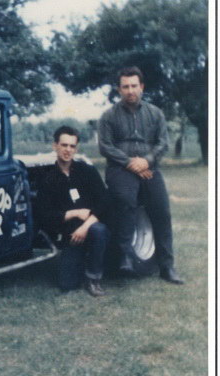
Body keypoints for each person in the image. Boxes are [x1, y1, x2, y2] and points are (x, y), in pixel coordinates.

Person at [98, 66, 184, 284]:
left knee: (162, 210)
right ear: (119, 90)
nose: (130, 91)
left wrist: (146, 161)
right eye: (125, 87)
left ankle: (167, 267)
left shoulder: (155, 113)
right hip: (120, 169)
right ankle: (125, 257)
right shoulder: (108, 116)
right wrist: (129, 162)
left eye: (134, 86)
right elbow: (105, 146)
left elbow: (162, 143)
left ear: (142, 87)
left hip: (149, 168)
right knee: (126, 201)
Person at [37, 126, 110, 297]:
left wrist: (85, 226)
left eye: (72, 146)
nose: (68, 150)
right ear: (55, 146)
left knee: (99, 231)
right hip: (70, 236)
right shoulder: (47, 178)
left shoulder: (87, 171)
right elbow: (44, 215)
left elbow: (105, 201)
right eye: (64, 145)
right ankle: (81, 261)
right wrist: (74, 213)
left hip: (92, 227)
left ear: (76, 148)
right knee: (67, 285)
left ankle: (93, 279)